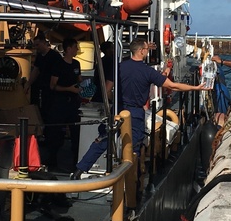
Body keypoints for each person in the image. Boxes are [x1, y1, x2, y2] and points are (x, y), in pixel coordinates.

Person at [72, 38, 208, 178]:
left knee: (103, 140)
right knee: (134, 148)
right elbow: (172, 86)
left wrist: (115, 103)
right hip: (135, 113)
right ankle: (132, 183)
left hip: (118, 109)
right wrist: (195, 87)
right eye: (146, 49)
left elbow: (107, 90)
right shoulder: (147, 71)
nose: (147, 51)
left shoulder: (119, 67)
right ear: (142, 51)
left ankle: (79, 171)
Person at [42, 38, 82, 171]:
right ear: (69, 49)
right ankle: (52, 161)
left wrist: (82, 88)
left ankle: (76, 162)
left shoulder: (76, 64)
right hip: (60, 102)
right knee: (56, 133)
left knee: (76, 132)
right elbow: (52, 86)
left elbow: (79, 80)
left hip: (73, 103)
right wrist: (68, 89)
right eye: (75, 47)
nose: (77, 50)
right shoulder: (58, 64)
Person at [29, 32, 63, 112]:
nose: (36, 47)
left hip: (51, 90)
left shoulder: (55, 56)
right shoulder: (39, 56)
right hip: (41, 88)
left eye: (38, 45)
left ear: (44, 43)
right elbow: (35, 70)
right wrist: (28, 83)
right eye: (35, 45)